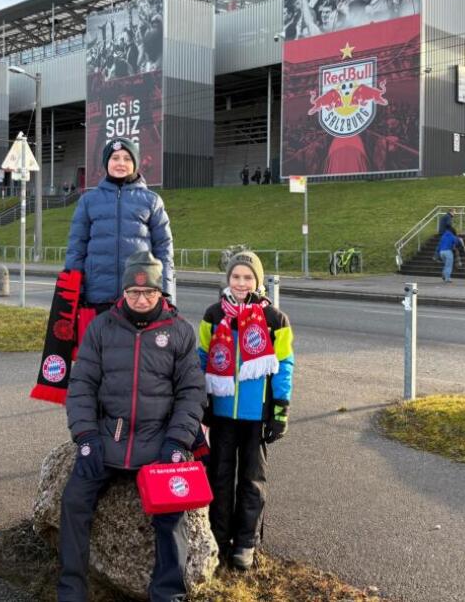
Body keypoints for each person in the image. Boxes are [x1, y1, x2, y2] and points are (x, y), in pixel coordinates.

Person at [59, 251, 205, 602]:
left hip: (159, 443)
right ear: (123, 292)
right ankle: (72, 592)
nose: (141, 300)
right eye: (134, 293)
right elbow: (81, 386)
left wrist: (177, 441)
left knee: (171, 515)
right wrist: (86, 436)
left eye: (149, 293)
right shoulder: (101, 327)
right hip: (108, 439)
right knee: (74, 503)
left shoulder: (180, 332)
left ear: (161, 293)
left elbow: (192, 393)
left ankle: (167, 594)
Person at [198, 251, 294, 571]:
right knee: (220, 478)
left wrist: (280, 410)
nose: (241, 283)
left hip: (257, 416)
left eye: (247, 277)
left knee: (252, 481)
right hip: (222, 414)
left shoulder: (274, 319)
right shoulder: (213, 315)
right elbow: (201, 359)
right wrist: (201, 404)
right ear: (228, 280)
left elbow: (283, 367)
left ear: (258, 281)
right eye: (236, 277)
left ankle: (245, 543)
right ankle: (219, 537)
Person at [65, 137, 174, 315]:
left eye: (127, 158)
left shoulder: (152, 201)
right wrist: (74, 290)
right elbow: (76, 249)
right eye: (115, 158)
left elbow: (164, 248)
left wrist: (165, 291)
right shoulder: (88, 201)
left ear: (135, 163)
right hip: (97, 297)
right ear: (106, 163)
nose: (120, 163)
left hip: (139, 295)